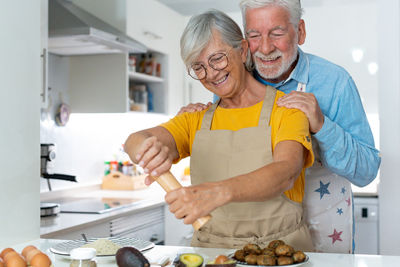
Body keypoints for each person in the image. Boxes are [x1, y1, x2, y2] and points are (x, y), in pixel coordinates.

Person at [179, 0, 381, 253]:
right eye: (254, 35)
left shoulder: (335, 82)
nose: (265, 48)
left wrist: (322, 125)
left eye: (277, 33)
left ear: (301, 32)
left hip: (328, 229)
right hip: (264, 235)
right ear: (244, 42)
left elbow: (367, 172)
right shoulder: (230, 80)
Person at [124, 9, 315, 250]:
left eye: (217, 58)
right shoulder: (194, 119)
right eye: (199, 67)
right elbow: (135, 140)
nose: (211, 73)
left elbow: (285, 172)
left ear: (243, 50)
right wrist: (145, 148)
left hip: (280, 252)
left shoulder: (287, 109)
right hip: (212, 253)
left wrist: (216, 193)